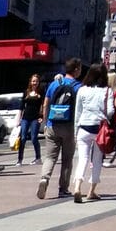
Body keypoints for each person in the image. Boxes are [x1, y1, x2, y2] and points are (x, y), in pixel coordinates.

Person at [37, 57, 83, 199]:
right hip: (69, 126)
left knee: (50, 157)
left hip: (52, 124)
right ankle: (63, 188)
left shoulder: (54, 84)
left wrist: (45, 122)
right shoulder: (78, 86)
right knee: (67, 159)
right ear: (75, 70)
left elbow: (46, 103)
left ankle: (44, 178)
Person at [70, 63, 114, 203]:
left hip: (84, 127)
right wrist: (104, 115)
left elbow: (78, 112)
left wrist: (76, 132)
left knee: (82, 159)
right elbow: (111, 111)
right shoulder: (107, 91)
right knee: (96, 161)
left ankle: (77, 187)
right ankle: (91, 191)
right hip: (100, 129)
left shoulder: (82, 90)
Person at [16, 74, 43, 166]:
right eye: (33, 81)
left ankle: (38, 158)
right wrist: (18, 119)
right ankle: (19, 160)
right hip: (25, 118)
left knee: (34, 138)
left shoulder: (41, 92)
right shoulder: (26, 92)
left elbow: (43, 105)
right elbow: (21, 106)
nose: (34, 83)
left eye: (36, 81)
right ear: (30, 82)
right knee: (22, 138)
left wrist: (42, 117)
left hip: (35, 118)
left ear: (38, 82)